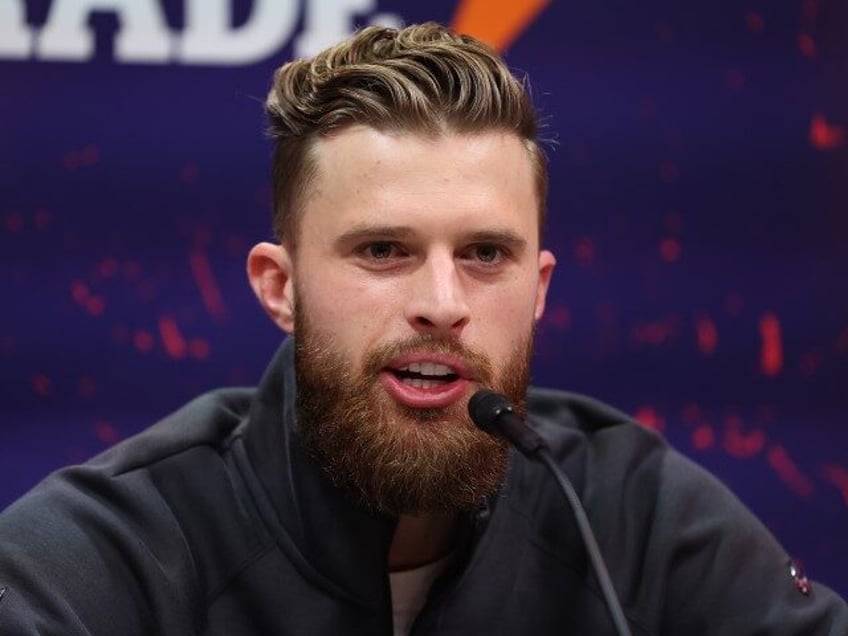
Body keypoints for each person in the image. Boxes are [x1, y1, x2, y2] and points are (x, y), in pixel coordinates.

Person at [0, 22, 845, 636]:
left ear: (540, 286)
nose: (443, 301)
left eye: (485, 253)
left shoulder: (634, 513)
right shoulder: (117, 548)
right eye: (383, 250)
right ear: (280, 287)